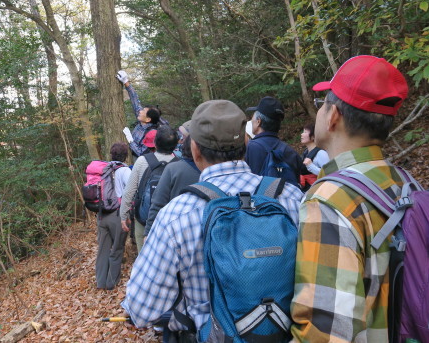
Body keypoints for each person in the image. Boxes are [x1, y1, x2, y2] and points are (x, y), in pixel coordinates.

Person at [121, 100, 303, 337]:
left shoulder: (177, 215)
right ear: (246, 144)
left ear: (195, 150)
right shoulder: (291, 198)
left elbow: (142, 308)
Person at [290, 55, 409, 342]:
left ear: (333, 117)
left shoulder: (329, 200)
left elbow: (325, 331)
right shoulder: (403, 181)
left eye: (322, 104)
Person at [120, 126, 178, 254]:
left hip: (144, 220)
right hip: (171, 223)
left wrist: (123, 215)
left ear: (155, 143)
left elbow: (129, 191)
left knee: (143, 257)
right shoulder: (179, 164)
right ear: (175, 145)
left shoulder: (142, 161)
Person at [143, 135, 201, 238]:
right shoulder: (211, 171)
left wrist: (148, 232)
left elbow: (158, 203)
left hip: (174, 231)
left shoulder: (173, 169)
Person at [95, 143, 132, 290]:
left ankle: (100, 282)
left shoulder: (103, 169)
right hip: (117, 215)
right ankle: (111, 283)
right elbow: (130, 192)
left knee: (103, 249)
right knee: (117, 249)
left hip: (102, 215)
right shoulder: (124, 171)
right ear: (125, 155)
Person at [245, 96, 302, 185]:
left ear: (258, 121)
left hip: (260, 198)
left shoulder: (249, 148)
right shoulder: (292, 154)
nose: (251, 120)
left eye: (253, 117)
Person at [116, 70, 168, 157]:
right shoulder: (142, 118)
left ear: (148, 119)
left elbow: (141, 153)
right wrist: (126, 82)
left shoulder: (151, 134)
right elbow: (135, 100)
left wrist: (130, 140)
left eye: (143, 111)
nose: (140, 111)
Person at [298, 123, 329, 190]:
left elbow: (328, 174)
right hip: (307, 189)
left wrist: (311, 166)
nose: (302, 134)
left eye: (305, 132)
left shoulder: (321, 153)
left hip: (319, 190)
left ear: (313, 136)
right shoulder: (305, 152)